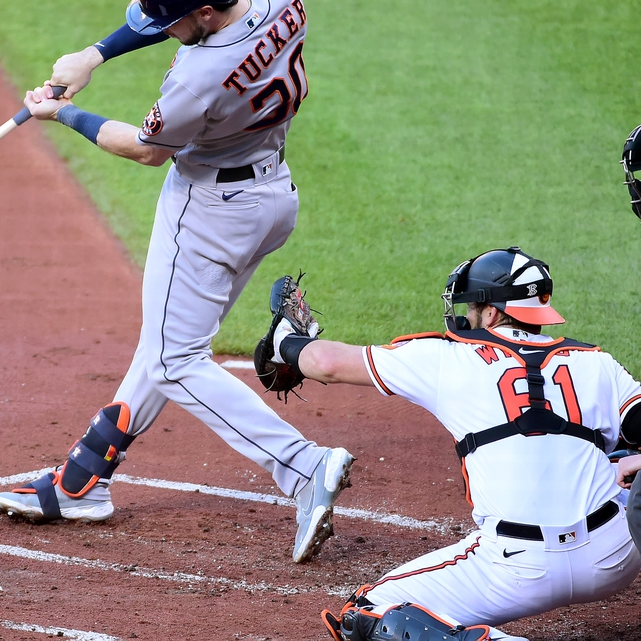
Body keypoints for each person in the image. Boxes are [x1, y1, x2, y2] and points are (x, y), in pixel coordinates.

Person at [0, 0, 354, 564]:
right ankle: (85, 479)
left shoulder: (196, 78)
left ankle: (301, 466)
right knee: (166, 344)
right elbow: (170, 14)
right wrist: (94, 55)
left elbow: (145, 149)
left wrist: (63, 112)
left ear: (207, 13)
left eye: (175, 23)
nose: (166, 32)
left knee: (173, 358)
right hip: (270, 197)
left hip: (208, 212)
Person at [258, 246, 641, 640]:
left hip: (518, 570)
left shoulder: (447, 359)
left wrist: (286, 340)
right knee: (625, 458)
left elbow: (328, 364)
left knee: (367, 614)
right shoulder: (597, 362)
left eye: (472, 306)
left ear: (491, 312)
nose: (466, 315)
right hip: (615, 558)